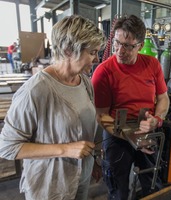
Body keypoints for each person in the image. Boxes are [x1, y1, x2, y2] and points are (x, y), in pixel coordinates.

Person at [0, 15, 106, 200]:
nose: (96, 59)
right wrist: (65, 149)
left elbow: (87, 127)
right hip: (50, 186)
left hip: (81, 178)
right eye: (92, 52)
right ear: (68, 50)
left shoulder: (85, 82)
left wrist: (95, 160)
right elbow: (8, 147)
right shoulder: (35, 91)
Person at [91, 15, 170, 199]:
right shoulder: (103, 72)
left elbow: (163, 98)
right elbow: (101, 116)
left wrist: (157, 120)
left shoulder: (152, 64)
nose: (119, 50)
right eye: (117, 43)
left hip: (146, 129)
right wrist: (133, 138)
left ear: (140, 46)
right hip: (115, 133)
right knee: (118, 191)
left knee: (152, 185)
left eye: (127, 46)